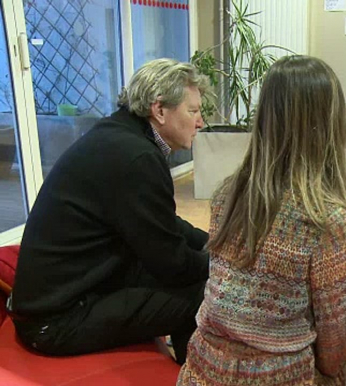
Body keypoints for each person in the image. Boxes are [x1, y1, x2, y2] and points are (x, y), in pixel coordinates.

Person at [178, 55, 346, 386]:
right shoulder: (328, 218)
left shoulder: (228, 195)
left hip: (202, 370)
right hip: (277, 377)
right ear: (331, 123)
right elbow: (334, 350)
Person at [9, 58, 210, 365]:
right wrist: (222, 265)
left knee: (193, 272)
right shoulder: (137, 158)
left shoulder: (119, 135)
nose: (201, 122)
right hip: (57, 322)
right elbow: (171, 263)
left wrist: (211, 241)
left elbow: (161, 223)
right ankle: (193, 376)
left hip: (65, 295)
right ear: (159, 110)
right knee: (203, 292)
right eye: (193, 111)